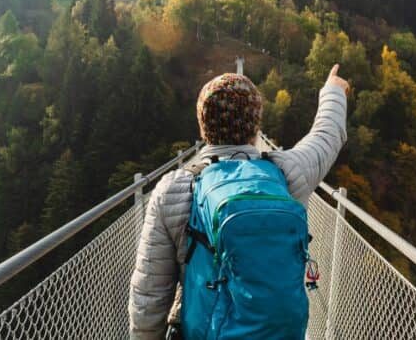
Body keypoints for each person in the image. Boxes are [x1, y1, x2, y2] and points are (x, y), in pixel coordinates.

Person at [128, 64, 350, 339]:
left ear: (202, 125)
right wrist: (333, 91)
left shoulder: (174, 188)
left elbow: (149, 296)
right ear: (255, 127)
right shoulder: (288, 173)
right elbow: (327, 136)